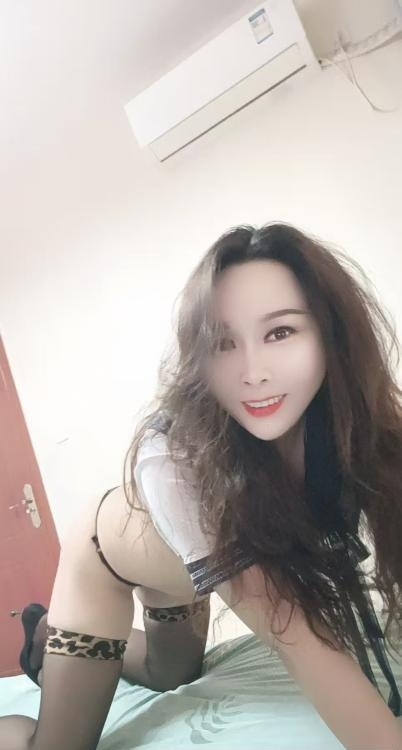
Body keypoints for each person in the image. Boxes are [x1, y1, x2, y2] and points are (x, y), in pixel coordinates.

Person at [2, 222, 402, 750]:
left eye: (280, 332)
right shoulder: (174, 458)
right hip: (106, 562)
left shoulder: (359, 423)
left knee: (171, 674)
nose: (253, 372)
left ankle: (48, 634)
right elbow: (292, 629)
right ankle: (50, 648)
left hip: (186, 572)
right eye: (222, 343)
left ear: (331, 333)